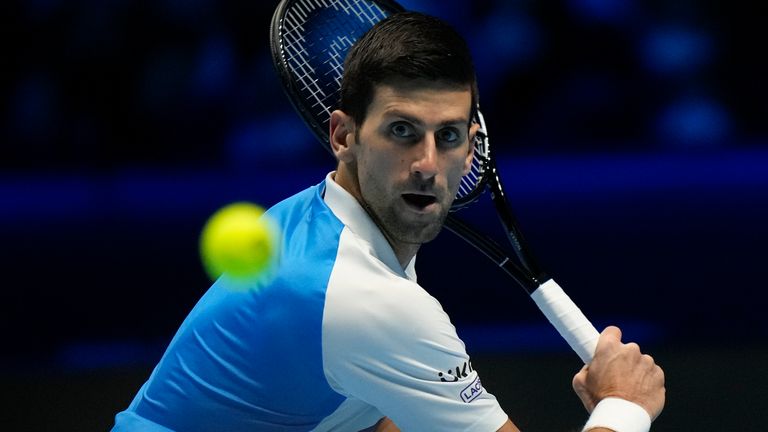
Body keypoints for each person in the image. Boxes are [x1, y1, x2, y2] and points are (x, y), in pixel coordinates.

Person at [112, 11, 664, 432]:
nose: (427, 163)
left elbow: (375, 415)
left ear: (474, 149)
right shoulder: (363, 298)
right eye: (402, 131)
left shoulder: (321, 218)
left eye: (447, 136)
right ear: (344, 136)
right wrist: (624, 404)